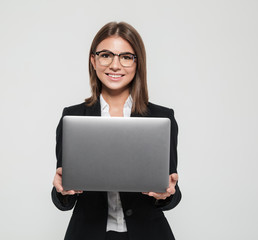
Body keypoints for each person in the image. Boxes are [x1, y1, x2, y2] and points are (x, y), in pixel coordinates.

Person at [52, 21, 181, 240]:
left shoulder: (161, 118)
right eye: (106, 55)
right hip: (88, 233)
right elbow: (65, 199)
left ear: (137, 63)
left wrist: (166, 194)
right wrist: (61, 190)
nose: (115, 65)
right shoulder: (73, 118)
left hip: (148, 233)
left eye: (125, 57)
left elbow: (171, 191)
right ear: (93, 61)